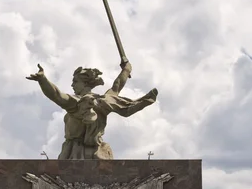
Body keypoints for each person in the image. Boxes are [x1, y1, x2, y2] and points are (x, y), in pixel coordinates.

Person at [26, 62, 158, 160]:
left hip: (74, 155)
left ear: (84, 83)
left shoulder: (75, 103)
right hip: (99, 154)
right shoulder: (103, 101)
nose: (72, 85)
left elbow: (56, 94)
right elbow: (117, 85)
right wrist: (127, 69)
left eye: (75, 81)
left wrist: (43, 80)